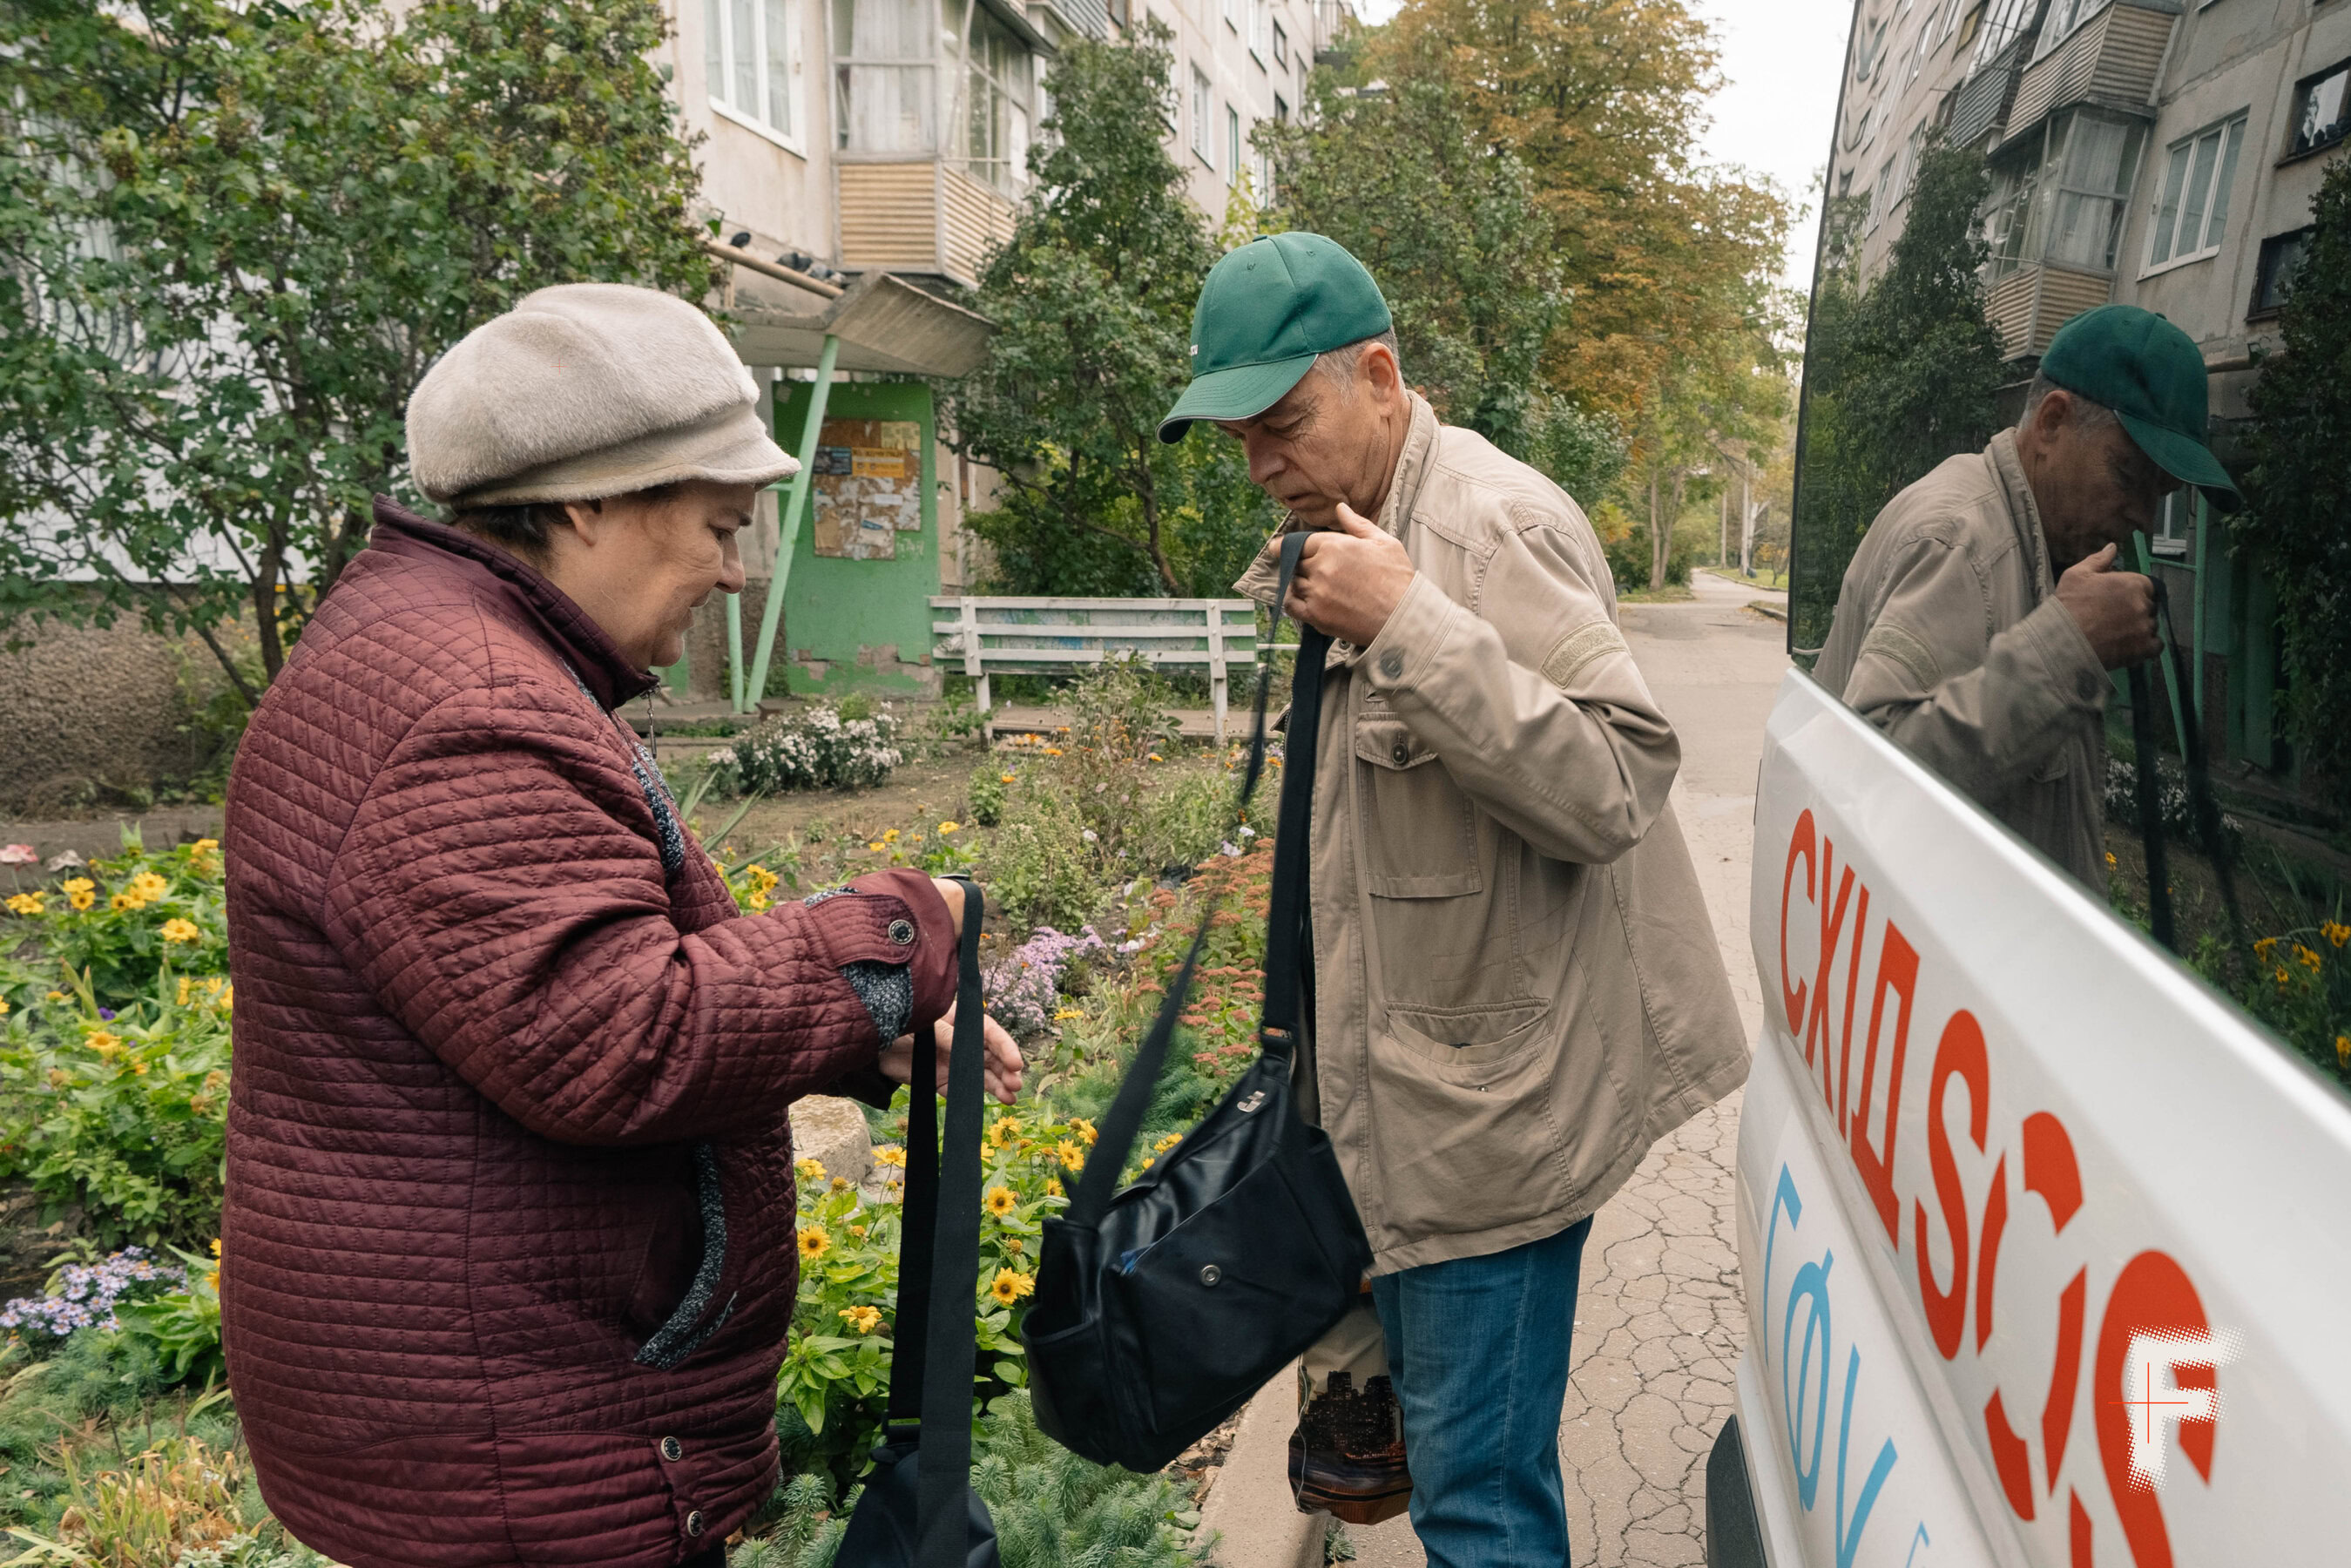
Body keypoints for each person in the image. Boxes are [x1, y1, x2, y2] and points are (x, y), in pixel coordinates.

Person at [220, 283, 1022, 1568]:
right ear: (590, 501)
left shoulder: (441, 652)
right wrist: (893, 930)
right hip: (517, 1440)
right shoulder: (471, 705)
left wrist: (837, 1037)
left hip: (487, 1414)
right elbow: (612, 1038)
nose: (735, 567)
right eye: (717, 523)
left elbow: (524, 995)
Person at [1159, 233, 1747, 1567]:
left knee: (1480, 1509)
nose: (1257, 465)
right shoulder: (1348, 529)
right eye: (1235, 436)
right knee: (1439, 1484)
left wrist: (1411, 623)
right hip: (1397, 1104)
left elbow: (1616, 775)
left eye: (1280, 424)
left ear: (1379, 375)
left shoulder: (1489, 528)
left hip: (1492, 1130)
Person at [1813, 304, 2240, 886]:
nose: (2143, 517)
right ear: (2051, 424)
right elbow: (1864, 783)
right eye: (2127, 476)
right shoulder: (1963, 542)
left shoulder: (2028, 542)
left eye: (2163, 494)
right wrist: (2068, 647)